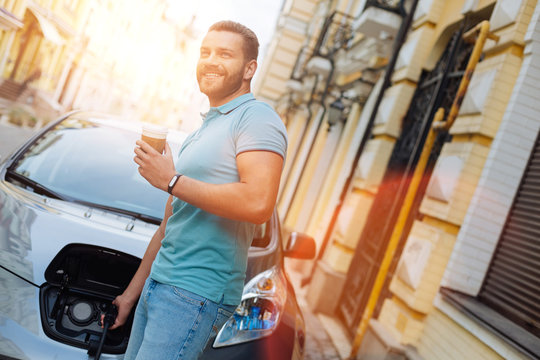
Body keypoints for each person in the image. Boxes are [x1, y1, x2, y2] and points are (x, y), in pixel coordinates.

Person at [108, 20, 288, 360]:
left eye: (224, 53)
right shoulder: (201, 131)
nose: (210, 60)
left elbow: (258, 203)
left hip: (194, 293)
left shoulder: (257, 118)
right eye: (205, 52)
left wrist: (171, 180)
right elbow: (169, 225)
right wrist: (132, 295)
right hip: (159, 286)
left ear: (250, 68)